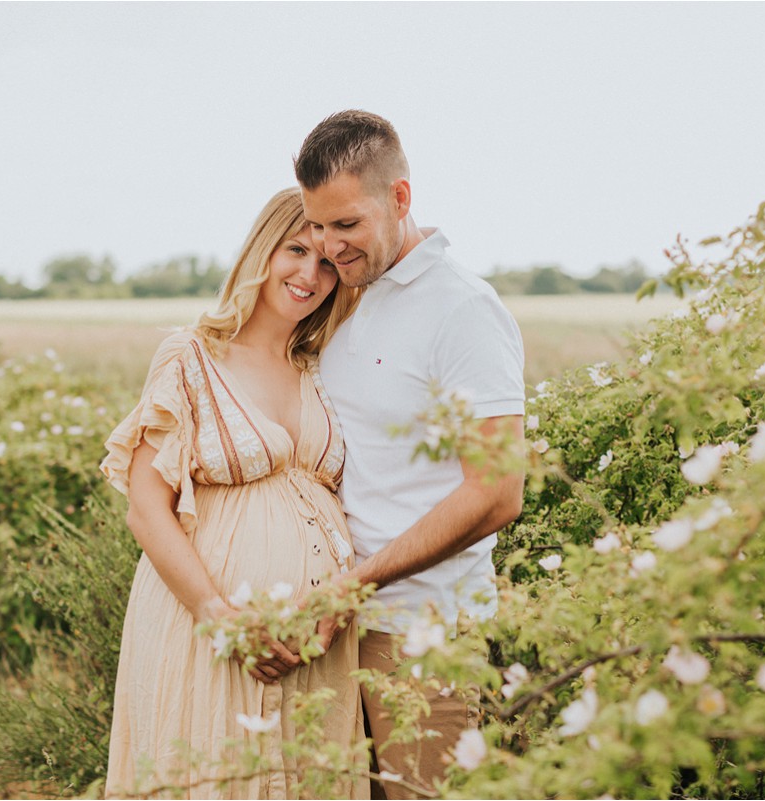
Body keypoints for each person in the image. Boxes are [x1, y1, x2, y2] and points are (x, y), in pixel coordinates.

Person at [100, 187, 370, 799]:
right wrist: (221, 619)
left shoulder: (320, 369)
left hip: (318, 642)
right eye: (295, 250)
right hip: (210, 629)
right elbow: (146, 509)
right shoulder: (191, 356)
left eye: (327, 261)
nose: (310, 274)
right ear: (260, 251)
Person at [294, 110, 526, 799]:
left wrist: (357, 581)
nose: (330, 247)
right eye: (318, 225)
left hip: (423, 636)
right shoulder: (354, 301)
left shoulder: (463, 310)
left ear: (399, 198)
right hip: (342, 633)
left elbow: (496, 491)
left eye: (347, 224)